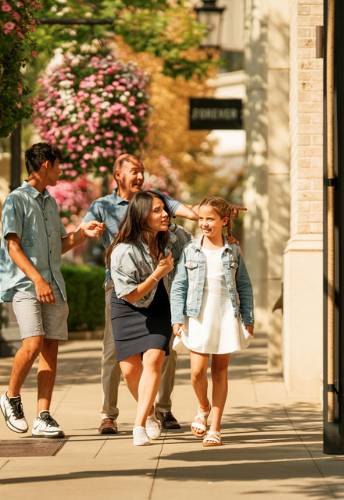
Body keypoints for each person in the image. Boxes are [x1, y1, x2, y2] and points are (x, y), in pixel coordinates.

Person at [80, 154, 211, 434]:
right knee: (115, 352)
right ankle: (109, 413)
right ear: (118, 175)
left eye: (142, 171)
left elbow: (188, 212)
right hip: (120, 287)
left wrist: (214, 216)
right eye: (134, 171)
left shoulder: (155, 199)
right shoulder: (102, 205)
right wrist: (87, 231)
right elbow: (83, 231)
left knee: (167, 351)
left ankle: (162, 409)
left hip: (162, 286)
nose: (140, 176)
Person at [0, 142, 105, 438]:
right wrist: (37, 280)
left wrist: (83, 233)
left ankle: (42, 416)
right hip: (27, 284)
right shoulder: (15, 200)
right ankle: (11, 397)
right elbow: (12, 247)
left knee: (50, 348)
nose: (60, 170)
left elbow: (62, 245)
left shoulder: (50, 202)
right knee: (32, 344)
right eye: (58, 165)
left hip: (53, 283)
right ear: (46, 164)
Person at [171, 197, 254, 447]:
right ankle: (203, 406)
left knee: (219, 371)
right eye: (202, 218)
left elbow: (244, 286)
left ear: (223, 221)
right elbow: (179, 286)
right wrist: (177, 318)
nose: (204, 223)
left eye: (211, 219)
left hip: (226, 314)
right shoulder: (191, 249)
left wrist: (248, 317)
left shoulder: (233, 250)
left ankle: (215, 427)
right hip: (197, 315)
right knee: (197, 372)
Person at [105, 191, 184, 446]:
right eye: (157, 211)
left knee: (154, 359)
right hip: (128, 307)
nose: (165, 215)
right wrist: (158, 273)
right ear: (142, 216)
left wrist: (226, 242)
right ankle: (149, 411)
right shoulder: (123, 251)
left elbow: (199, 244)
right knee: (129, 372)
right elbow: (130, 296)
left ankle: (138, 426)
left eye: (165, 209)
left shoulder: (174, 237)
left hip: (160, 304)